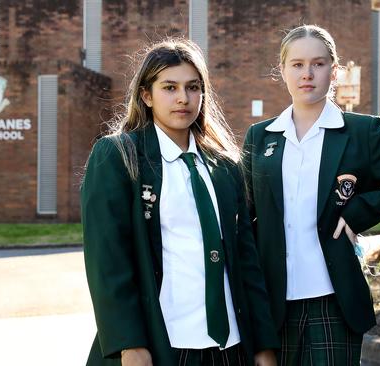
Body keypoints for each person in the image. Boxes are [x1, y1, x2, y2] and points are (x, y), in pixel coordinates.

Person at [242, 25, 380, 365]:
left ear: (334, 71)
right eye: (297, 64)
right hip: (272, 303)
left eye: (318, 64)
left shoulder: (361, 132)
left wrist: (362, 209)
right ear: (283, 70)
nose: (307, 74)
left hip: (334, 301)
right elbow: (244, 219)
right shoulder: (260, 137)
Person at [82, 38, 279, 366]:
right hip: (165, 345)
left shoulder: (226, 167)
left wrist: (262, 345)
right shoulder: (118, 156)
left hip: (231, 347)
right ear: (147, 95)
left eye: (193, 87)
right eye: (169, 87)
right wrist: (129, 344)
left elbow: (247, 263)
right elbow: (108, 260)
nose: (183, 98)